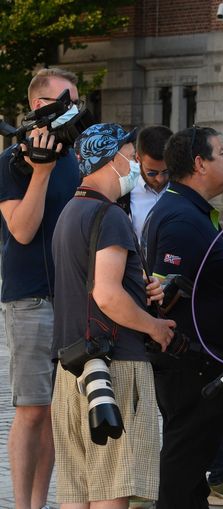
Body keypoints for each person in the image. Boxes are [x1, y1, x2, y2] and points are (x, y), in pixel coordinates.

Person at [51, 122, 176, 508]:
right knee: (111, 489)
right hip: (114, 365)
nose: (135, 163)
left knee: (77, 489)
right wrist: (154, 326)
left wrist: (139, 285)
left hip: (73, 365)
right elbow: (106, 294)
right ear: (110, 159)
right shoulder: (110, 216)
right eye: (130, 155)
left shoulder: (70, 211)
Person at [141, 127, 223, 509]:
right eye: (222, 152)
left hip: (203, 365)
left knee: (191, 473)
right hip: (191, 367)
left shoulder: (189, 210)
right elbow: (163, 294)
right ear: (200, 163)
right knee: (182, 470)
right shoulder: (180, 219)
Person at [0, 67, 82, 509]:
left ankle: (39, 502)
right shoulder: (12, 162)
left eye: (77, 102)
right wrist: (41, 171)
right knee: (32, 408)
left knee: (56, 411)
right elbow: (22, 230)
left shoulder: (76, 158)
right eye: (67, 101)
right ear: (39, 105)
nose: (75, 110)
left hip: (72, 296)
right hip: (30, 298)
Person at [118, 125, 172, 241]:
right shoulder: (124, 192)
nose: (160, 179)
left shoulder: (185, 188)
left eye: (166, 171)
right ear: (138, 158)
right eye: (152, 173)